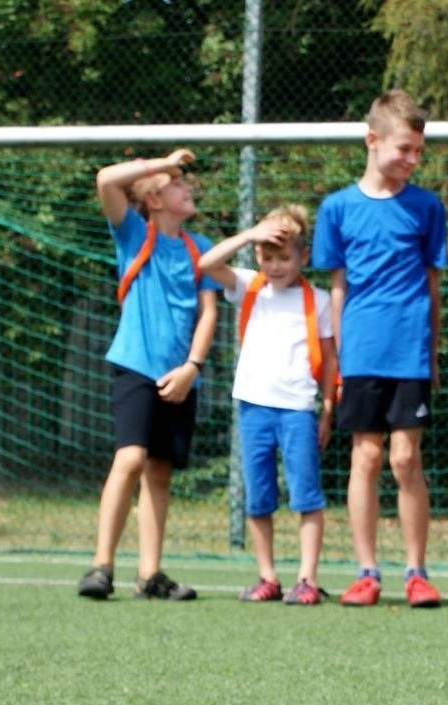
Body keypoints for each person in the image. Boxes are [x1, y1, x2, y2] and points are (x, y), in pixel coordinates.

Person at [312, 89, 448, 608]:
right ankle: (367, 572)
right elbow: (338, 289)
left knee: (405, 458)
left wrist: (432, 352)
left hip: (410, 350)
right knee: (366, 457)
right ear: (372, 140)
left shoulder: (426, 207)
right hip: (362, 354)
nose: (412, 159)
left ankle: (417, 572)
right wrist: (340, 359)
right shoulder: (337, 208)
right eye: (404, 149)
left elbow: (433, 286)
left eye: (419, 151)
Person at [77, 149, 221, 601]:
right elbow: (106, 179)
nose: (185, 186)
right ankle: (101, 566)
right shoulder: (134, 234)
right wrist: (160, 163)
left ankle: (150, 574)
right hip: (136, 365)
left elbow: (208, 313)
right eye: (175, 183)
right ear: (154, 200)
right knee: (131, 458)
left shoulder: (199, 247)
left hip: (181, 376)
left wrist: (192, 368)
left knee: (159, 472)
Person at [198, 205, 339, 606]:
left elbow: (330, 361)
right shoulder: (248, 285)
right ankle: (267, 577)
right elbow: (206, 264)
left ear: (303, 256)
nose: (275, 266)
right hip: (253, 407)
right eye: (267, 256)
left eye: (284, 257)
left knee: (306, 495)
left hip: (298, 410)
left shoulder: (319, 301)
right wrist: (249, 234)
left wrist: (327, 409)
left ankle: (307, 579)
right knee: (258, 497)